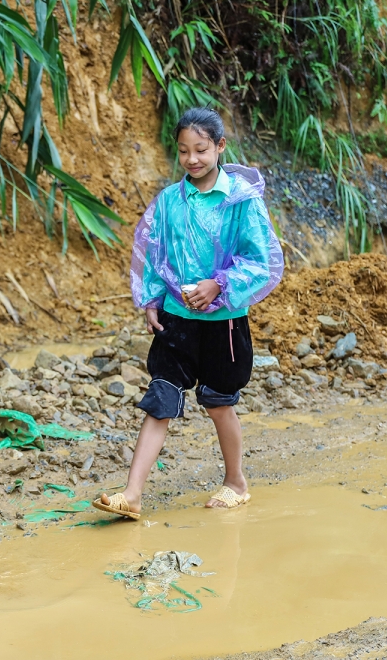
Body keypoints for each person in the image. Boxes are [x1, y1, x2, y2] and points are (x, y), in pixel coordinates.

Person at [93, 108, 283, 520]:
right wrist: (150, 299)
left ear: (219, 147)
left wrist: (220, 284)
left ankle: (236, 482)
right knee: (161, 395)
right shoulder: (169, 202)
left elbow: (261, 260)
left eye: (200, 150)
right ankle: (132, 494)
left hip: (224, 323)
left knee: (217, 402)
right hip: (178, 318)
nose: (192, 159)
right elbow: (154, 252)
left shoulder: (241, 202)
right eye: (184, 151)